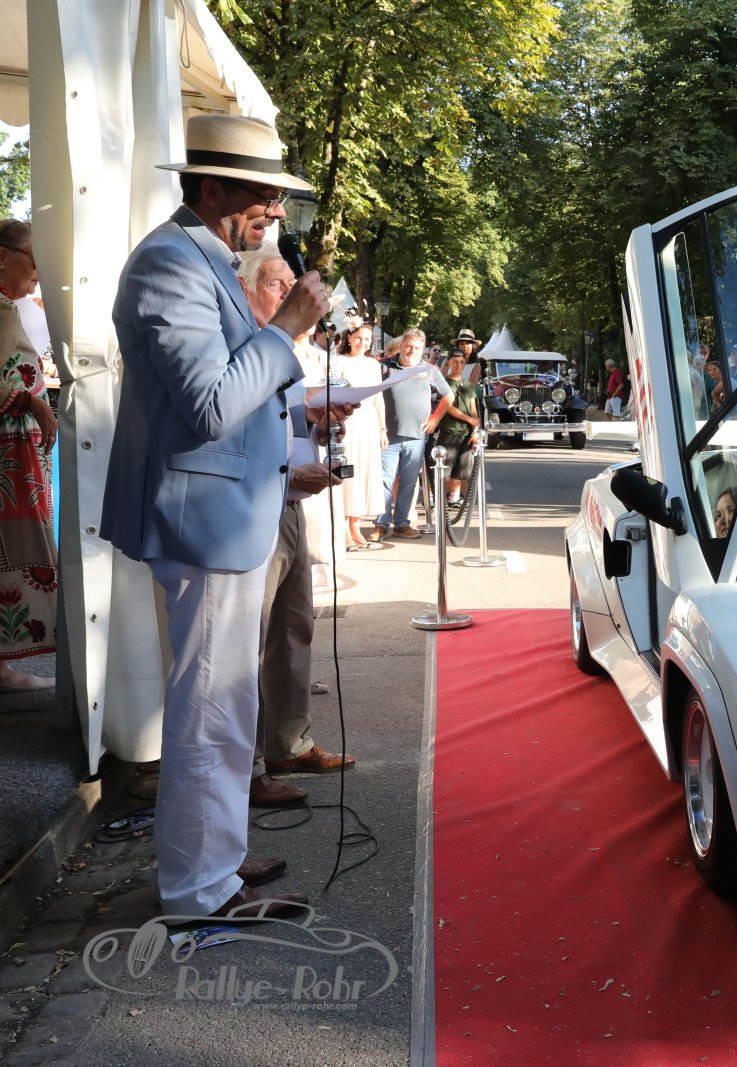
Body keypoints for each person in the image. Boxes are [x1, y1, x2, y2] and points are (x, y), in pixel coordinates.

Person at [101, 113, 341, 920]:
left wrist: (283, 470)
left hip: (225, 513)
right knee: (210, 708)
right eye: (264, 195)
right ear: (212, 188)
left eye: (278, 198)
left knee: (227, 705)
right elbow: (208, 405)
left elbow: (218, 406)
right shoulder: (170, 263)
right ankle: (199, 893)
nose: (276, 210)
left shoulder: (200, 258)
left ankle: (216, 865)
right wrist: (288, 329)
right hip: (204, 525)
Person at [234, 249, 354, 806]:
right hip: (254, 507)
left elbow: (278, 422)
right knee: (249, 641)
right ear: (246, 287)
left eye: (291, 285)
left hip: (288, 504)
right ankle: (248, 767)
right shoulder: (242, 345)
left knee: (293, 625)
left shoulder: (279, 345)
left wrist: (316, 420)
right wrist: (288, 473)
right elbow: (227, 434)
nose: (291, 295)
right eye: (278, 285)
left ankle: (288, 742)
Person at [0, 220, 58, 693]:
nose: (39, 275)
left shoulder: (6, 308)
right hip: (8, 455)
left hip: (14, 452)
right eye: (35, 262)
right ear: (3, 257)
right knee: (13, 551)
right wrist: (32, 402)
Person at [374, 328, 451, 541]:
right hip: (388, 435)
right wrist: (378, 428)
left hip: (417, 436)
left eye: (417, 347)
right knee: (385, 481)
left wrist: (435, 419)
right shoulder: (383, 366)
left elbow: (448, 396)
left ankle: (401, 524)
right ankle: (380, 524)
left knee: (408, 482)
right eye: (408, 346)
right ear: (401, 345)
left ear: (423, 349)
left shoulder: (430, 370)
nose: (411, 350)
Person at [335, 322, 388, 549]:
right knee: (348, 473)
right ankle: (344, 528)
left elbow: (378, 398)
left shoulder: (373, 364)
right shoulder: (338, 361)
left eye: (367, 339)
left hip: (368, 424)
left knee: (364, 472)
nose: (362, 343)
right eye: (358, 338)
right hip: (348, 422)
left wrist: (382, 428)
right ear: (349, 337)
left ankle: (355, 525)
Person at [434, 350, 481, 502]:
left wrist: (475, 430)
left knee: (462, 468)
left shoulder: (468, 385)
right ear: (448, 363)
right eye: (455, 362)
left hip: (466, 433)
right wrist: (469, 419)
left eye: (461, 362)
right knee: (444, 468)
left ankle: (454, 498)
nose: (458, 365)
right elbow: (448, 407)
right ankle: (439, 499)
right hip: (450, 431)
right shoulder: (444, 384)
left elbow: (473, 409)